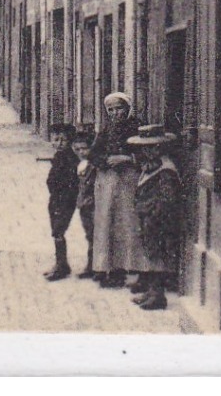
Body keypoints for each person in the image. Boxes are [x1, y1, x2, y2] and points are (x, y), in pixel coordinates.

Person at [89, 91, 149, 289]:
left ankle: (139, 271)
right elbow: (93, 154)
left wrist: (127, 159)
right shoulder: (106, 130)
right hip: (107, 183)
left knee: (131, 224)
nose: (115, 113)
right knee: (108, 224)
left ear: (128, 109)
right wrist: (106, 161)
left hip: (129, 181)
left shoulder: (137, 128)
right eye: (111, 110)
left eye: (119, 108)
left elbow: (147, 154)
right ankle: (113, 270)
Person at [129, 126, 182, 310]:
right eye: (145, 148)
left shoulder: (166, 171)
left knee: (158, 257)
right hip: (148, 219)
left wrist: (153, 216)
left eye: (154, 147)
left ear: (161, 147)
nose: (149, 151)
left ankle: (158, 296)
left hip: (158, 221)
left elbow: (167, 201)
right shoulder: (152, 166)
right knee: (150, 255)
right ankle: (151, 292)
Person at [43, 122, 79, 281]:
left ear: (70, 141)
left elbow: (71, 182)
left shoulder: (70, 159)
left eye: (63, 140)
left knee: (58, 230)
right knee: (56, 230)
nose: (59, 143)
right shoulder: (59, 156)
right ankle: (61, 263)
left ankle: (61, 266)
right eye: (56, 139)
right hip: (56, 199)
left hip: (64, 200)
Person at [72, 127, 98, 279]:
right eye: (77, 149)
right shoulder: (79, 164)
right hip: (83, 205)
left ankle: (93, 266)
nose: (81, 152)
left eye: (84, 148)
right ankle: (91, 265)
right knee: (89, 235)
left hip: (92, 205)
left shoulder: (93, 166)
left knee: (94, 235)